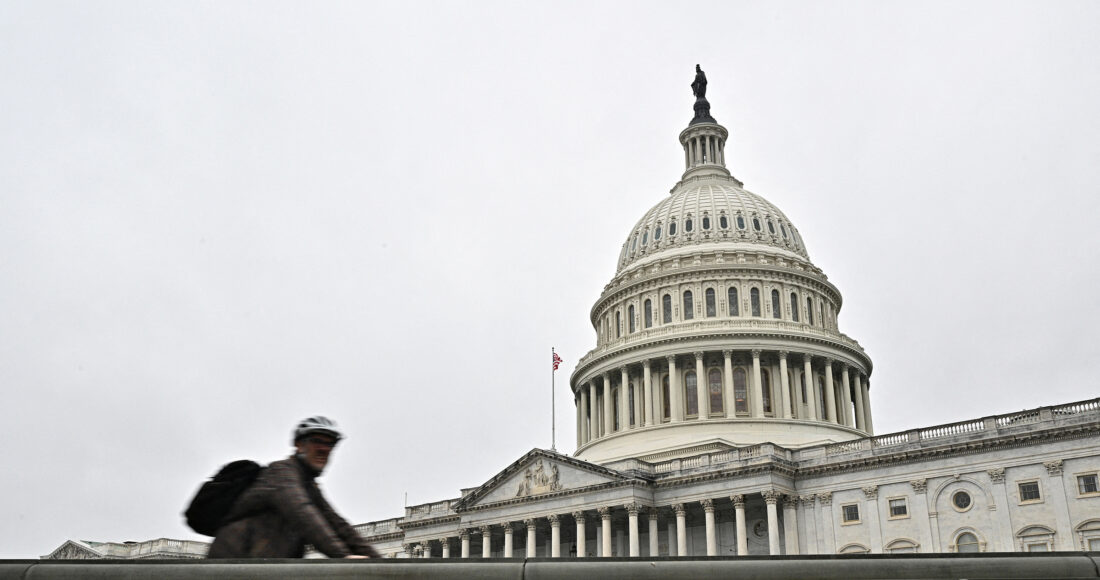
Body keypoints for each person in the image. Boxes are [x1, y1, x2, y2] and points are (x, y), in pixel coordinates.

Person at [207, 416, 379, 559]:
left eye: (330, 444)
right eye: (316, 441)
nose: (323, 449)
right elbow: (304, 514)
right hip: (234, 564)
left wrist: (380, 564)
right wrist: (342, 556)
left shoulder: (309, 486)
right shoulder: (281, 473)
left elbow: (338, 525)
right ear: (299, 445)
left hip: (263, 566)